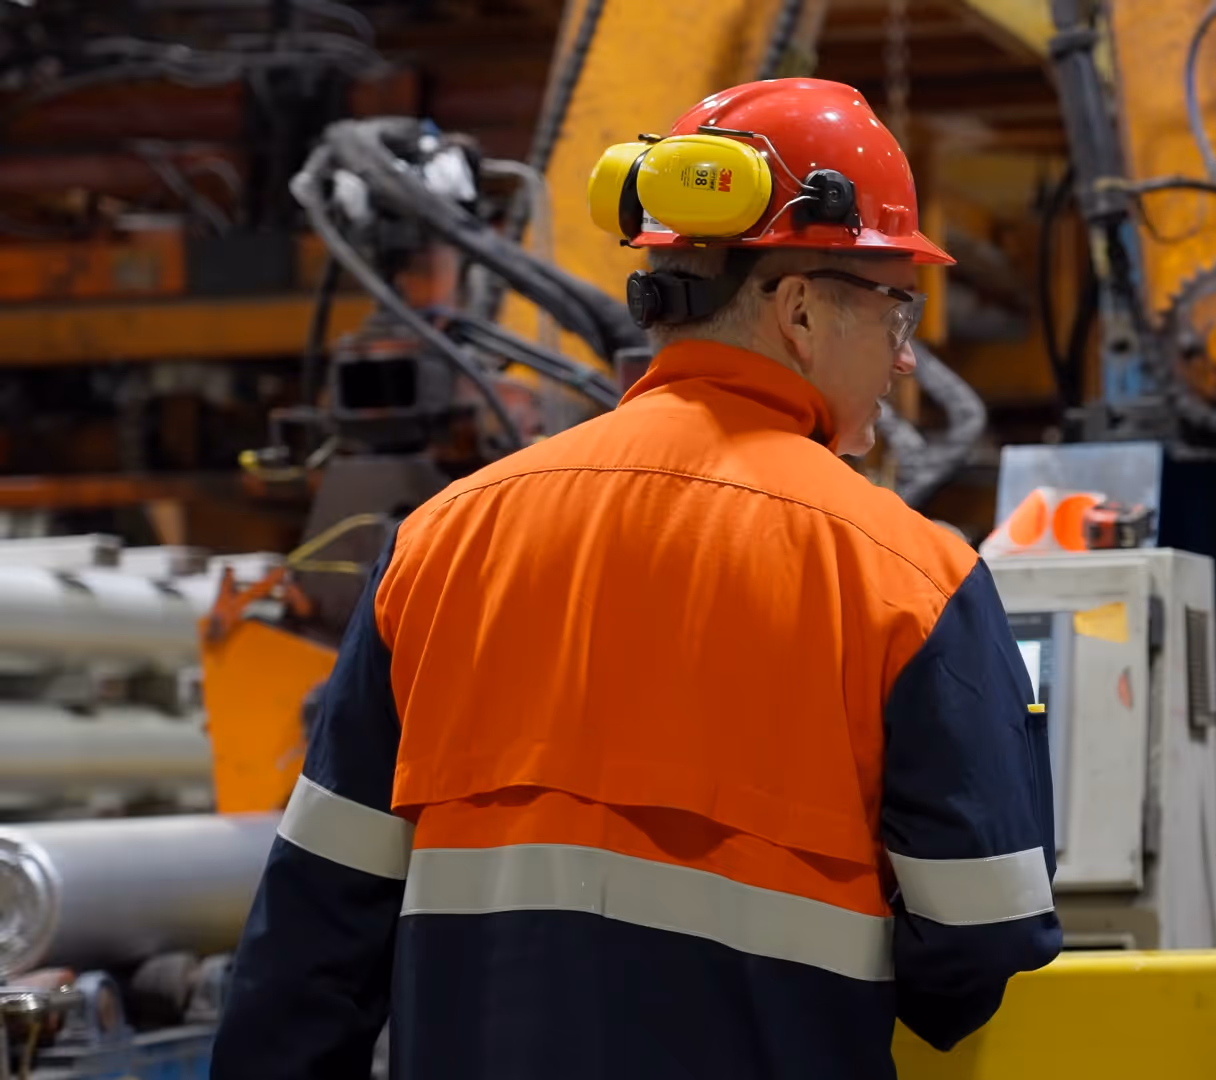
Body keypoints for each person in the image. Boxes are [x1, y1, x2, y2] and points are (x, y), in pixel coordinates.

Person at [211, 78, 1061, 1080]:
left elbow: (310, 945)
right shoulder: (909, 575)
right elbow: (986, 931)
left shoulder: (439, 541)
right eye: (893, 308)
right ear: (797, 309)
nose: (903, 358)